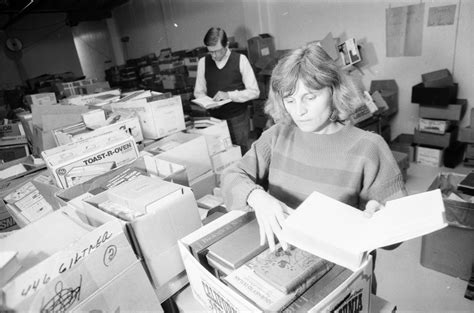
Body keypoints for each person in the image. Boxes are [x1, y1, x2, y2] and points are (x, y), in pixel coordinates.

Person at [221, 42, 407, 293]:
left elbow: (397, 235)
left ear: (333, 90)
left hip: (340, 281)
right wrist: (257, 197)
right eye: (290, 99)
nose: (300, 111)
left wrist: (380, 218)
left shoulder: (369, 148)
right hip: (284, 270)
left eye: (311, 97)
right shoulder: (276, 136)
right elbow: (231, 176)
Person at [194, 27, 260, 153]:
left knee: (241, 152)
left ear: (227, 45)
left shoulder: (240, 60)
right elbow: (199, 91)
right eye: (210, 52)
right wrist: (207, 103)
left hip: (237, 119)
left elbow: (254, 92)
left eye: (217, 51)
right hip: (214, 120)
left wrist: (229, 95)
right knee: (221, 155)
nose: (213, 56)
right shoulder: (203, 62)